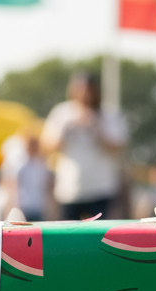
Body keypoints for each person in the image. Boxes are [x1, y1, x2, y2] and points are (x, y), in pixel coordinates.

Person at [40, 70, 128, 220]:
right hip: (69, 190)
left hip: (101, 189)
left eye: (89, 90)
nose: (85, 94)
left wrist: (96, 127)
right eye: (80, 89)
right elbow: (47, 147)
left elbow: (119, 147)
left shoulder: (109, 114)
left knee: (100, 239)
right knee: (69, 240)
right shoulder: (62, 113)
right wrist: (66, 130)